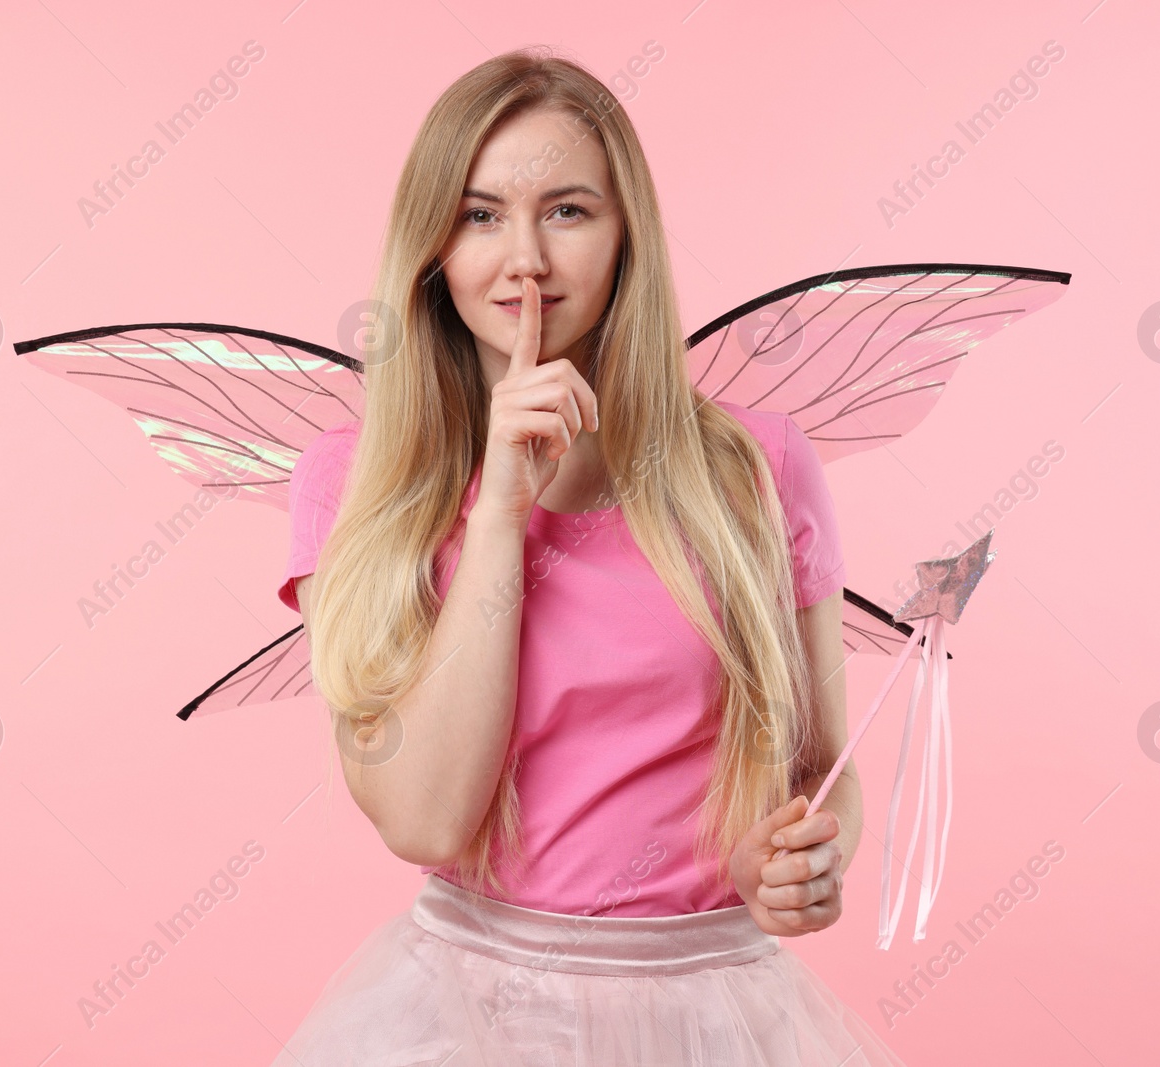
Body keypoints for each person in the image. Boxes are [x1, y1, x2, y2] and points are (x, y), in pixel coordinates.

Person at [268, 46, 908, 1066]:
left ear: (626, 239)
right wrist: (500, 501)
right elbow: (426, 819)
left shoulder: (759, 466)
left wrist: (800, 857)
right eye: (480, 214)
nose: (524, 259)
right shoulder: (356, 481)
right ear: (432, 247)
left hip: (714, 1011)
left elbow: (818, 770)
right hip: (470, 1016)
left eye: (567, 210)